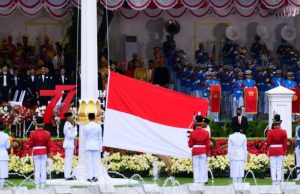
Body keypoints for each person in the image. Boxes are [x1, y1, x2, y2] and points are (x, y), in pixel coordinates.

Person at [28, 117, 52, 189]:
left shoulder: (32, 134)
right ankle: (43, 184)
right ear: (43, 124)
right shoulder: (47, 133)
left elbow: (31, 144)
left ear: (36, 124)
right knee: (43, 169)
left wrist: (29, 146)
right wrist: (49, 153)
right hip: (44, 152)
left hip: (36, 152)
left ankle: (37, 185)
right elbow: (48, 145)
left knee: (37, 169)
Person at [188, 115, 210, 185]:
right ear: (202, 122)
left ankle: (197, 181)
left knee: (196, 167)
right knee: (203, 166)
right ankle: (202, 181)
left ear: (196, 122)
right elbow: (207, 144)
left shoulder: (192, 133)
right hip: (203, 151)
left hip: (195, 151)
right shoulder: (206, 133)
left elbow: (190, 145)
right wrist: (207, 153)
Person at [266, 114, 287, 185]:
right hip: (280, 150)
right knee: (279, 166)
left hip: (272, 150)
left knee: (273, 166)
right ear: (280, 123)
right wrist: (284, 152)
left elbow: (268, 142)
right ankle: (278, 180)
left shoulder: (270, 131)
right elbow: (284, 144)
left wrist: (267, 149)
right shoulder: (284, 132)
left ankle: (274, 180)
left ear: (274, 123)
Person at [83, 113, 102, 182]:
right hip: (96, 145)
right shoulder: (98, 126)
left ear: (88, 118)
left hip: (88, 145)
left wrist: (84, 147)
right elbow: (100, 138)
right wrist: (100, 147)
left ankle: (89, 177)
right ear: (94, 118)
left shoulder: (86, 126)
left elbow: (84, 138)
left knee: (89, 162)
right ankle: (95, 176)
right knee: (96, 161)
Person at [63, 112, 77, 180]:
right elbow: (69, 136)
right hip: (69, 145)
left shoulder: (69, 125)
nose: (72, 118)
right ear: (68, 118)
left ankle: (68, 174)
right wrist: (75, 132)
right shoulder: (67, 125)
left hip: (69, 145)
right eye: (71, 117)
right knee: (68, 160)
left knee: (69, 160)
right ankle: (67, 175)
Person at [0, 122, 10, 188]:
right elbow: (8, 146)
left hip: (3, 154)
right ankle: (1, 186)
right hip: (3, 155)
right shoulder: (6, 135)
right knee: (3, 171)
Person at [294, 113, 300, 181]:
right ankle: (298, 176)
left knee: (298, 160)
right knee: (298, 160)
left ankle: (298, 176)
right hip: (297, 144)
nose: (296, 119)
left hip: (299, 144)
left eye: (297, 118)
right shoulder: (297, 126)